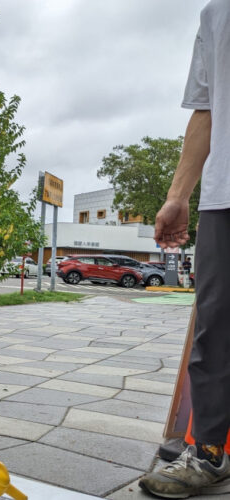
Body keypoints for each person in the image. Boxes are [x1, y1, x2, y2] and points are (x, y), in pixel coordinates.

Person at [140, 1, 230, 497]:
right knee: (215, 329)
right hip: (224, 195)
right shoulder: (216, 13)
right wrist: (178, 196)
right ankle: (210, 451)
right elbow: (207, 107)